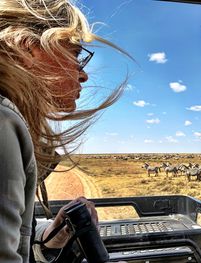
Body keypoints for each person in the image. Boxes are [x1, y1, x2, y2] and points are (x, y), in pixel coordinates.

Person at [0, 0, 127, 262]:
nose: (83, 75)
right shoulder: (4, 123)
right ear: (28, 47)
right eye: (77, 55)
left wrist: (50, 237)